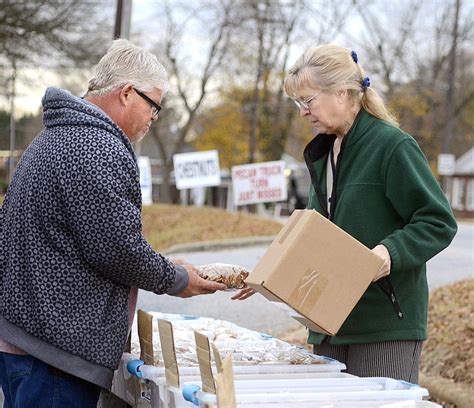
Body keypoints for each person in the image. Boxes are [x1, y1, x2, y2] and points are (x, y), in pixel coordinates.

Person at [0, 39, 226, 407]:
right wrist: (178, 280)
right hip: (54, 352)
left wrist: (167, 265)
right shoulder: (96, 146)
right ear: (125, 93)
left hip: (25, 340)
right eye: (153, 105)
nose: (154, 117)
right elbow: (117, 250)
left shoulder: (53, 137)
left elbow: (98, 237)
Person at [234, 44, 457, 383]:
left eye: (308, 100)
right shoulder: (323, 154)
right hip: (328, 325)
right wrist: (271, 275)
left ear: (341, 92)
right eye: (298, 103)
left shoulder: (393, 147)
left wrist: (388, 253)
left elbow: (438, 220)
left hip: (384, 327)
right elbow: (314, 235)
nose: (303, 112)